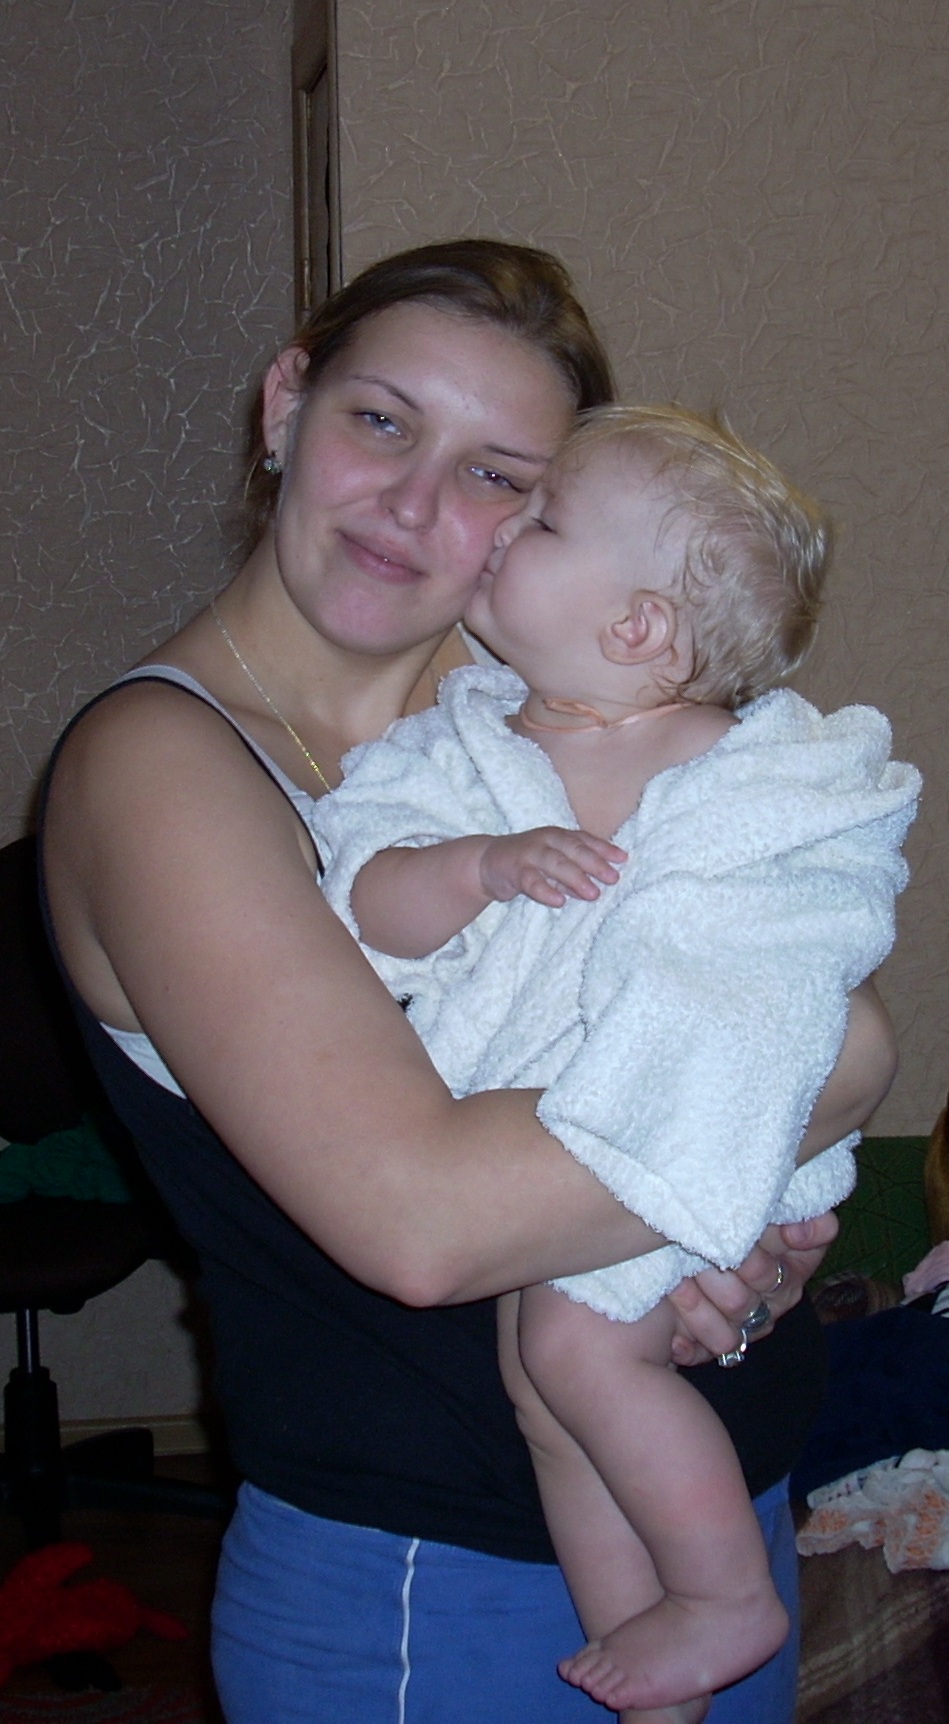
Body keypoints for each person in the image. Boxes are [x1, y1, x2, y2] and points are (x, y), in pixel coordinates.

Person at [39, 240, 897, 1724]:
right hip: (439, 1589)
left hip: (724, 1519)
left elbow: (783, 956)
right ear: (286, 403)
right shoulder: (163, 770)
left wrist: (735, 1257)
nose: (419, 504)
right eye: (381, 421)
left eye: (500, 475)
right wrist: (771, 1112)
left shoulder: (541, 711)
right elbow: (427, 1228)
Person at [312, 402, 919, 1720]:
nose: (499, 528)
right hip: (529, 1149)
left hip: (678, 1107)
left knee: (579, 1356)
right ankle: (654, 1660)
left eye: (539, 519)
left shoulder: (748, 769)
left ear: (638, 628)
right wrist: (478, 867)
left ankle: (722, 1596)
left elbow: (807, 927)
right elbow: (370, 904)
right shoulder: (464, 747)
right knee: (546, 1385)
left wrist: (731, 1110)